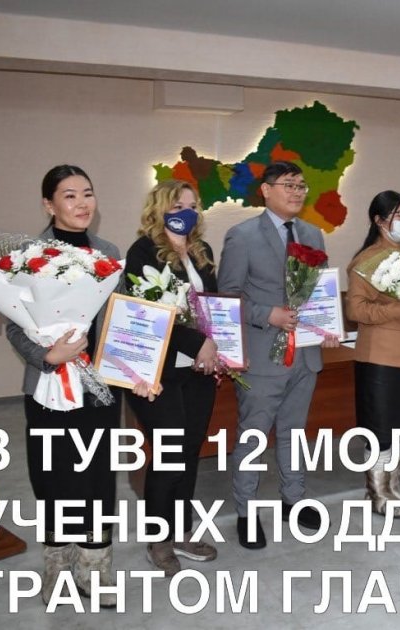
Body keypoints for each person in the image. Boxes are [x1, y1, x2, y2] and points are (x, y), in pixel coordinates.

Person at [5, 165, 153, 606]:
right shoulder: (27, 256)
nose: (82, 203)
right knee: (53, 477)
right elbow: (12, 326)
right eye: (69, 195)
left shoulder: (108, 252)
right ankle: (57, 563)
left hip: (98, 388)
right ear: (48, 204)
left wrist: (137, 367)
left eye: (87, 193)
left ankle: (95, 566)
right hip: (48, 387)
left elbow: (118, 322)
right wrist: (47, 356)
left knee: (97, 475)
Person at [218, 161, 339, 549]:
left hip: (305, 354)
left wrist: (327, 324)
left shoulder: (313, 235)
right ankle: (246, 511)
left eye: (301, 185)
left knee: (294, 432)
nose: (297, 192)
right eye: (289, 185)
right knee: (253, 437)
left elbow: (318, 291)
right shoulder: (242, 236)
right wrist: (266, 314)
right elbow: (227, 298)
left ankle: (293, 499)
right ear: (266, 190)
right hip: (261, 356)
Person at [124, 180, 220, 575]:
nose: (188, 212)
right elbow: (148, 313)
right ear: (160, 207)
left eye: (193, 206)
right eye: (179, 205)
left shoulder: (202, 250)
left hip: (198, 370)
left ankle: (181, 530)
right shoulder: (143, 251)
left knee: (190, 449)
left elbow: (213, 305)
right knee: (167, 453)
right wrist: (198, 343)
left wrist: (219, 347)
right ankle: (158, 538)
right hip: (158, 372)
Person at [345, 190, 400, 515]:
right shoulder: (366, 261)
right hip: (380, 356)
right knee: (380, 428)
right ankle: (377, 493)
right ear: (379, 220)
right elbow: (356, 310)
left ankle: (394, 486)